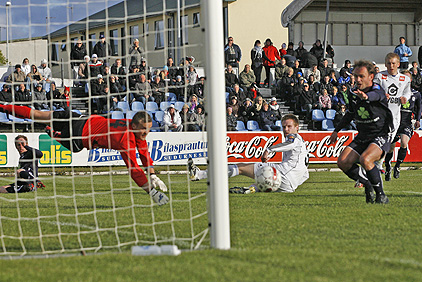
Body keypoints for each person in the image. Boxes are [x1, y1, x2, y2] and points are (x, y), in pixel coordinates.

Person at [0, 105, 169, 205]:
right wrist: (151, 192)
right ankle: (54, 134)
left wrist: (152, 174)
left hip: (80, 118)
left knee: (37, 115)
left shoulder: (130, 125)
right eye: (144, 130)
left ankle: (4, 107)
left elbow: (143, 150)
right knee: (74, 148)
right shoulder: (125, 140)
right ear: (135, 127)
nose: (147, 133)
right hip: (78, 137)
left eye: (149, 129)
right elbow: (134, 168)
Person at [188, 114, 309, 193]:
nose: (286, 130)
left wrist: (268, 149)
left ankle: (199, 174)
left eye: (289, 126)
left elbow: (290, 144)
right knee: (264, 177)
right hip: (289, 186)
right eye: (284, 127)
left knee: (240, 167)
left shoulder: (294, 138)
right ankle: (250, 189)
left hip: (283, 175)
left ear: (297, 127)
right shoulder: (303, 145)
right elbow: (305, 174)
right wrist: (292, 184)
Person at [329, 60, 393, 204]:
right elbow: (350, 113)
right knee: (343, 162)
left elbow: (377, 96)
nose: (357, 79)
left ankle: (381, 195)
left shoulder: (377, 90)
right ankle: (367, 183)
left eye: (361, 76)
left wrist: (366, 97)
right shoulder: (352, 93)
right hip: (363, 136)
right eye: (356, 76)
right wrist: (336, 130)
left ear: (371, 76)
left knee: (366, 159)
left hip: (380, 135)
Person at [373, 53, 411, 177]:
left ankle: (377, 165)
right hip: (379, 115)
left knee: (386, 143)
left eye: (394, 63)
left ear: (398, 64)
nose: (391, 65)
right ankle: (371, 167)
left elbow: (407, 92)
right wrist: (380, 94)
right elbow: (373, 89)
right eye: (389, 63)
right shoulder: (380, 76)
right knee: (374, 144)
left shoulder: (404, 79)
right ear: (385, 64)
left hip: (394, 118)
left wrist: (405, 97)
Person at [384, 70, 421, 181]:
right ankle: (388, 167)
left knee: (404, 143)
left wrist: (418, 119)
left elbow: (419, 107)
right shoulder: (395, 92)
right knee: (390, 148)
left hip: (406, 122)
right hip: (394, 122)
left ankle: (398, 166)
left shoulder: (416, 93)